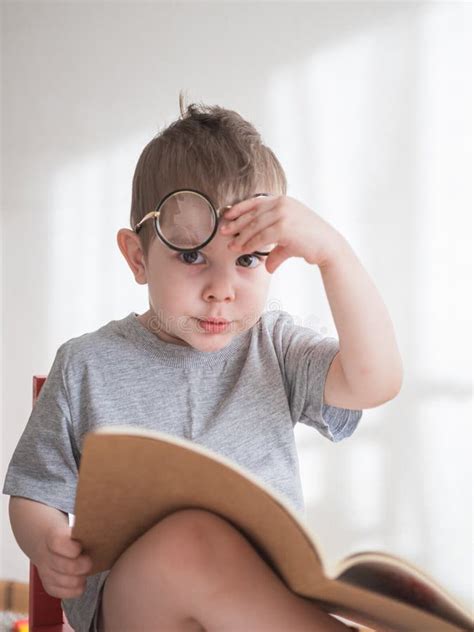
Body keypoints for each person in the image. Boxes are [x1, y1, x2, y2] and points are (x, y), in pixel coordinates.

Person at [3, 91, 403, 632]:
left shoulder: (274, 346)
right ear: (138, 257)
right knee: (190, 539)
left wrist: (333, 253)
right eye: (192, 256)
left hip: (246, 610)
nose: (221, 290)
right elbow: (34, 490)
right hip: (137, 611)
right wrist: (47, 540)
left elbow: (375, 380)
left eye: (247, 259)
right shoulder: (86, 364)